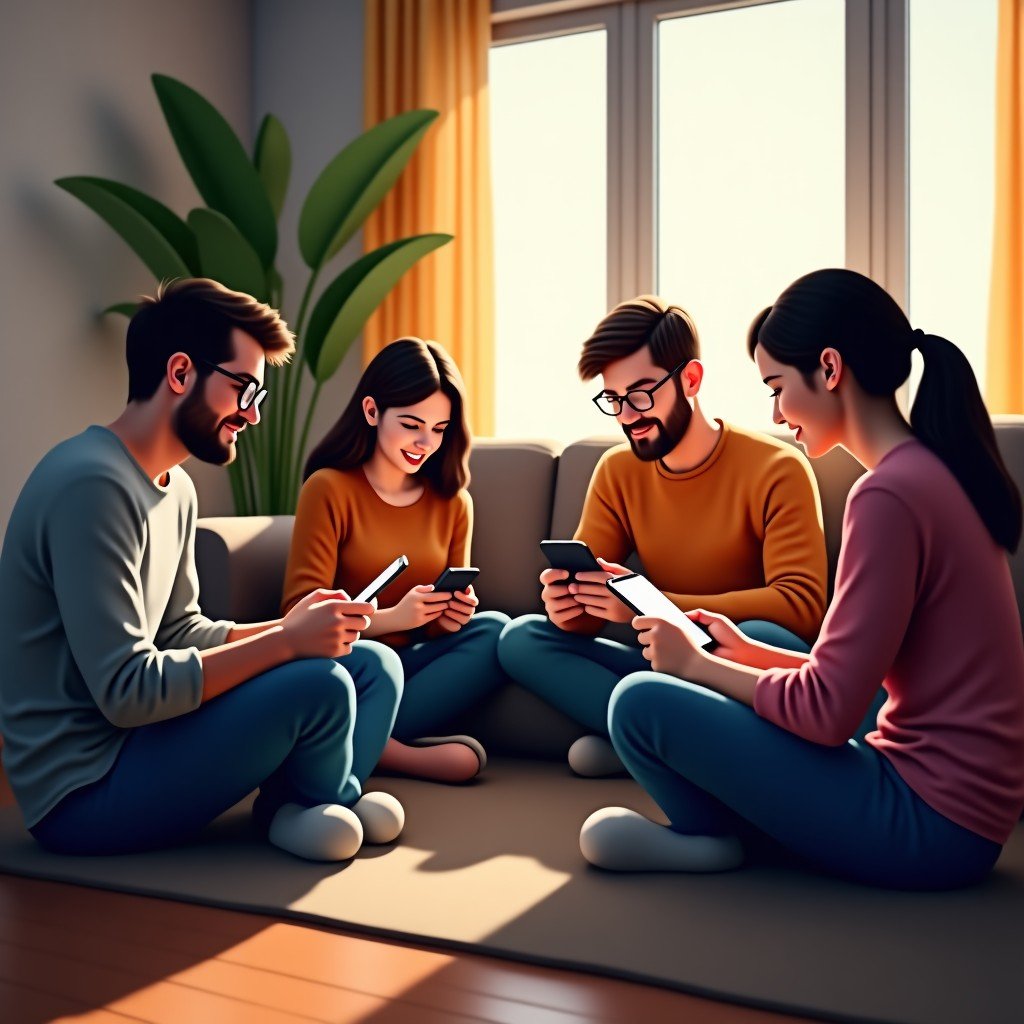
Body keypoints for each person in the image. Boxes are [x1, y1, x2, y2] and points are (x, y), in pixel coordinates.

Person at [580, 268, 1024, 890]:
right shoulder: (931, 470)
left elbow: (828, 714)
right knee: (774, 644)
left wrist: (697, 665)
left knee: (639, 703)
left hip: (930, 826)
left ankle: (712, 838)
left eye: (778, 386)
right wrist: (750, 654)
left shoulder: (888, 496)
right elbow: (848, 679)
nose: (777, 413)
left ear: (830, 369)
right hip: (965, 816)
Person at [0, 278, 406, 863]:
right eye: (244, 390)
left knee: (372, 665)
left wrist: (294, 629)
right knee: (318, 682)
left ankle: (314, 801)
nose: (252, 415)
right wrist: (288, 645)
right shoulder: (91, 485)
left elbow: (181, 633)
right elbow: (127, 692)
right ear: (181, 373)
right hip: (85, 791)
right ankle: (313, 801)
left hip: (144, 742)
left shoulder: (177, 488)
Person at [498, 295, 828, 776]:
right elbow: (589, 613)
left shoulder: (776, 469)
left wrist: (651, 604)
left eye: (642, 393)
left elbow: (800, 608)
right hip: (660, 665)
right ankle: (658, 740)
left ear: (690, 380)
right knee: (522, 639)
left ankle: (655, 741)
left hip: (735, 662)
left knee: (759, 634)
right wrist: (570, 605)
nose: (627, 414)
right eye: (614, 399)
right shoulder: (618, 472)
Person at [282, 338, 508, 784]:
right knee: (346, 671)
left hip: (413, 667)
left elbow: (437, 628)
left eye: (440, 429)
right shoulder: (329, 489)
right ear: (371, 412)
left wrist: (450, 617)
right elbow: (299, 615)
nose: (425, 443)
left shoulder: (454, 504)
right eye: (411, 424)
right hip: (347, 663)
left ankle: (365, 738)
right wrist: (389, 618)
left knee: (495, 631)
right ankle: (391, 752)